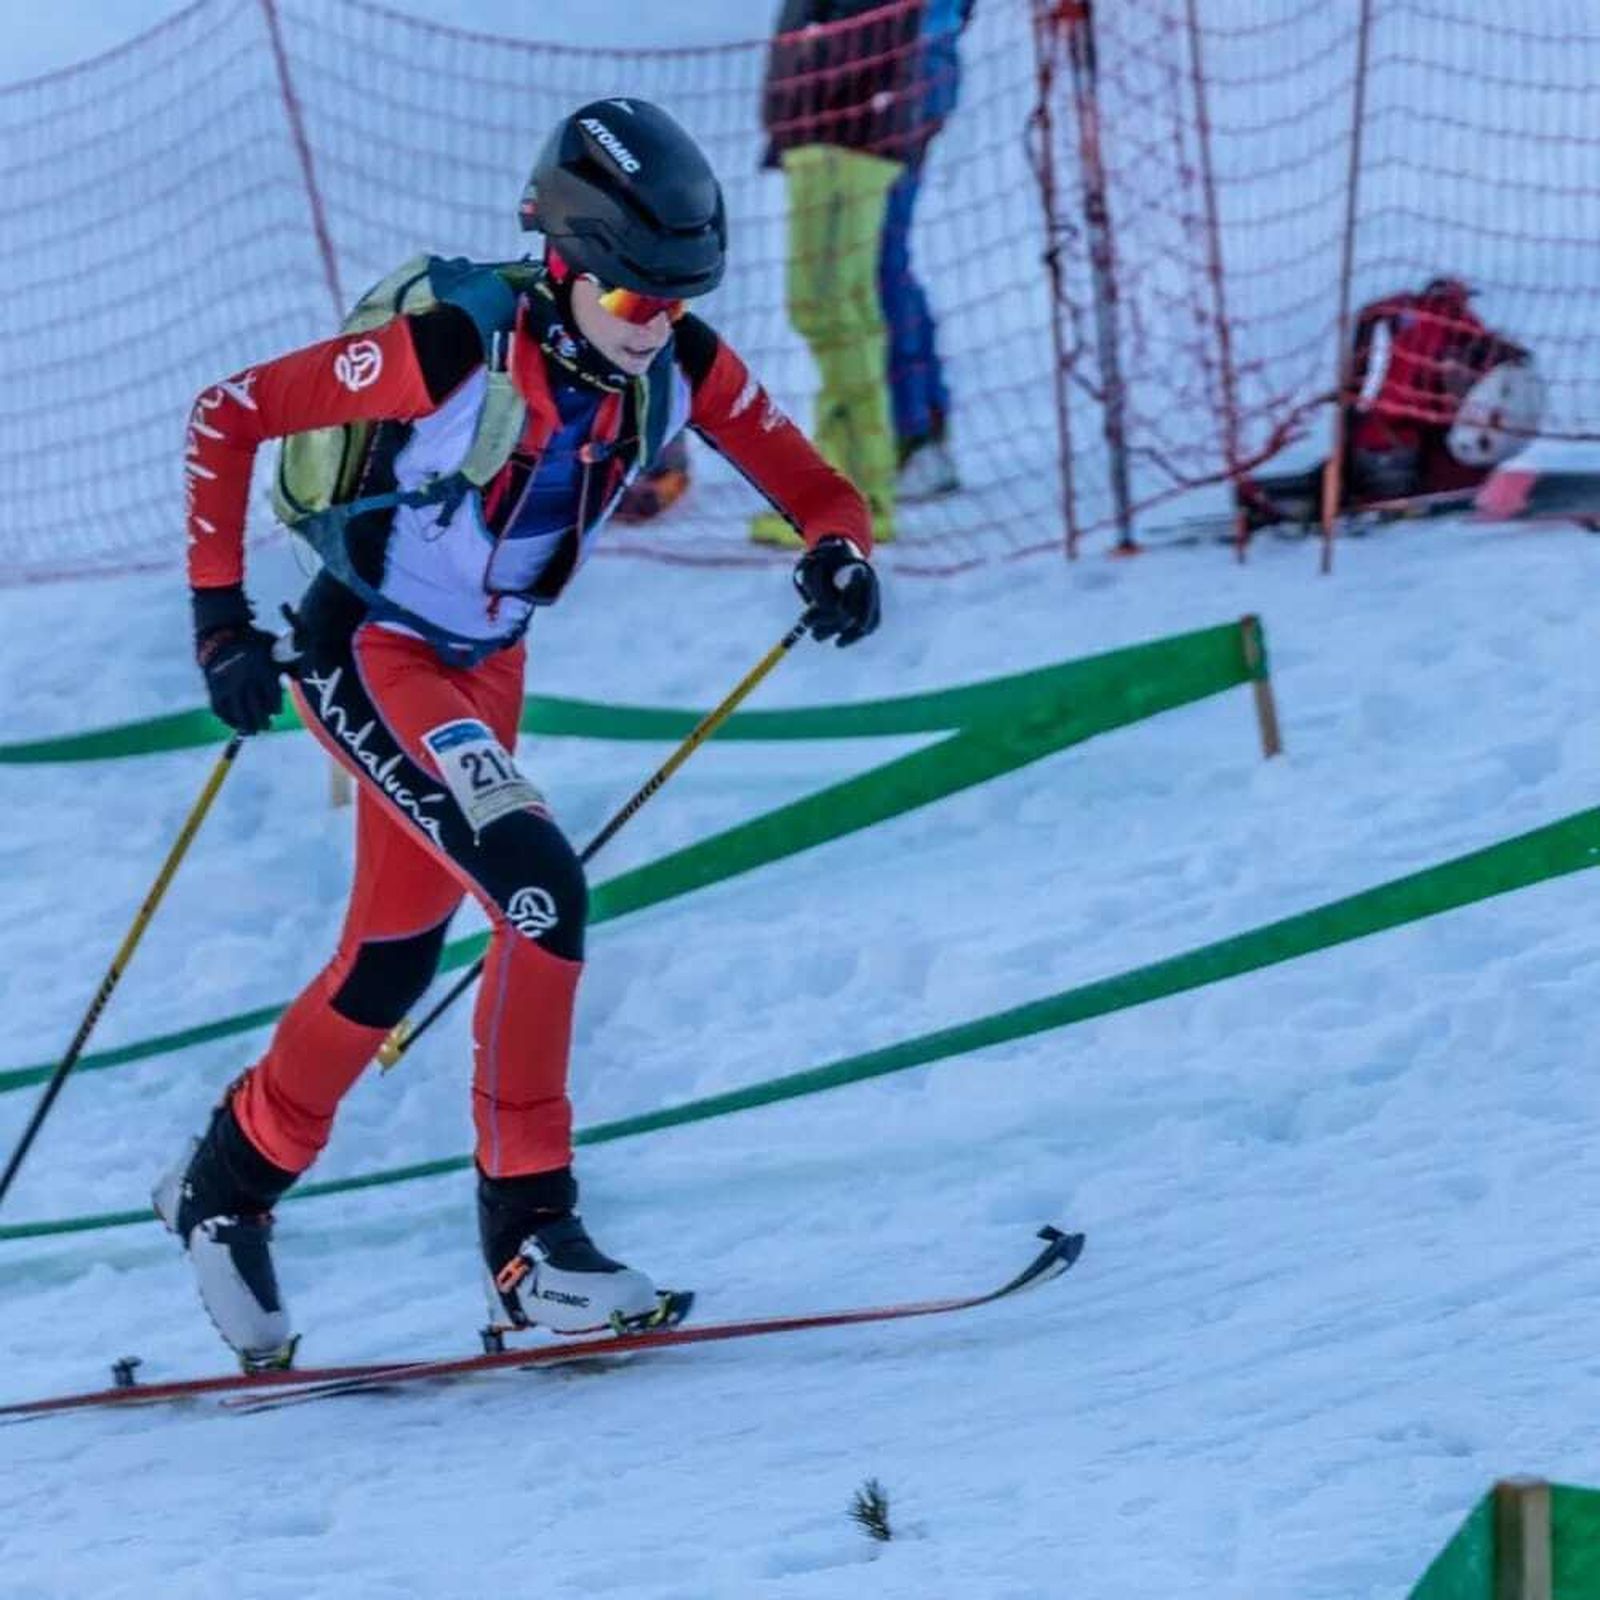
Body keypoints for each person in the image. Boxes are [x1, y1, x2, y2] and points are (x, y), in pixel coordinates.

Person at [159, 99, 882, 1370]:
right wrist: (221, 620)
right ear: (566, 264)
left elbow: (817, 487)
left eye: (673, 304)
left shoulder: (678, 357)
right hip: (369, 647)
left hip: (483, 670)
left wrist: (839, 553)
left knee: (389, 963)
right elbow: (228, 416)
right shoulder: (447, 348)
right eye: (630, 303)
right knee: (539, 891)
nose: (651, 331)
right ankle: (531, 1244)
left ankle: (223, 1183)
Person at [750, 0, 930, 548]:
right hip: (831, 137)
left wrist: (809, 104)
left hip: (844, 139)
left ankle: (862, 494)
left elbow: (860, 39)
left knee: (828, 310)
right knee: (841, 312)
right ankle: (845, 485)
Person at [1239, 276, 1536, 530]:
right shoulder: (1448, 330)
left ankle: (1300, 498)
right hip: (1396, 449)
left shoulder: (1412, 319)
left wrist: (1352, 398)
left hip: (1387, 435)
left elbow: (1370, 317)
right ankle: (1315, 503)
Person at [881, 0, 973, 504]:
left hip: (907, 67)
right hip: (879, 63)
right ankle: (914, 431)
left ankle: (916, 435)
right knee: (872, 261)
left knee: (878, 260)